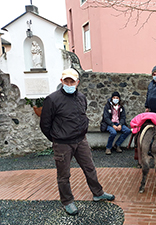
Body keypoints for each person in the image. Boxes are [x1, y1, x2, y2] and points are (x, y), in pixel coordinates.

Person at [40, 68, 115, 216]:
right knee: (64, 175)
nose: (69, 83)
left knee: (90, 168)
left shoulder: (81, 97)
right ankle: (67, 201)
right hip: (62, 144)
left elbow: (82, 115)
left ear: (77, 82)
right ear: (61, 81)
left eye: (72, 81)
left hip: (81, 140)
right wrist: (56, 139)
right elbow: (45, 124)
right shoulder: (52, 99)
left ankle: (98, 193)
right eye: (66, 81)